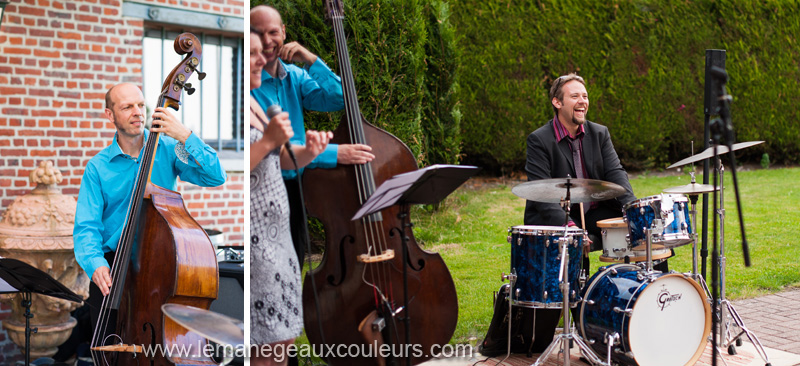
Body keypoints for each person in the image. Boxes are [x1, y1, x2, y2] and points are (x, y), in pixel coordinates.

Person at [73, 83, 227, 333]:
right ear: (109, 115)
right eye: (127, 107)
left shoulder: (168, 148)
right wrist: (95, 264)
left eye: (140, 105)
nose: (137, 112)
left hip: (160, 262)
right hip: (112, 270)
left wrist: (185, 135)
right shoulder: (97, 167)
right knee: (108, 348)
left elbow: (215, 176)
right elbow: (86, 227)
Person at [522, 73, 641, 352]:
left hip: (597, 215)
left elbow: (617, 177)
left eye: (585, 96)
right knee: (573, 244)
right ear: (557, 102)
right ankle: (588, 327)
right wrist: (573, 228)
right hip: (558, 221)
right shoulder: (539, 140)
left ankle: (647, 313)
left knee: (648, 236)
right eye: (575, 96)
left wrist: (635, 212)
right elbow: (541, 197)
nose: (582, 101)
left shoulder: (600, 133)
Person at [250, 5, 375, 268]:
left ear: (283, 32)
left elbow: (341, 98)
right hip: (266, 187)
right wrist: (334, 153)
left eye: (273, 32)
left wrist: (311, 60)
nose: (267, 41)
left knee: (294, 262)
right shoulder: (250, 86)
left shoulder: (295, 76)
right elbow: (276, 149)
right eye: (257, 33)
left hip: (298, 186)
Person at [248, 28, 331, 366]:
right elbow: (240, 164)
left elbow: (281, 156)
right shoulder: (243, 103)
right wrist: (269, 142)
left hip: (278, 237)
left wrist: (311, 151)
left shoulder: (260, 98)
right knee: (267, 344)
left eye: (263, 48)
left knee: (281, 338)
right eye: (253, 52)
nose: (262, 57)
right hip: (258, 241)